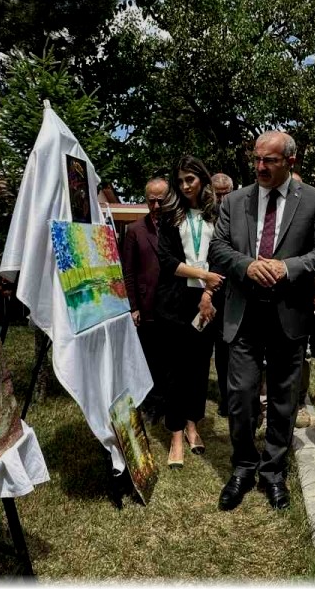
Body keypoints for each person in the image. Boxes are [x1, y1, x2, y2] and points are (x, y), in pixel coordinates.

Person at [210, 131, 315, 510]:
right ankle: (243, 466)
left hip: (289, 314)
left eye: (270, 161)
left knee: (284, 398)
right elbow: (218, 248)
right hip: (244, 314)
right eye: (257, 160)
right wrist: (247, 266)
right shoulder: (234, 201)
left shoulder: (314, 200)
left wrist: (287, 267)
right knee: (242, 396)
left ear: (291, 162)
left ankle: (273, 471)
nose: (261, 167)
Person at [155, 157, 224, 468]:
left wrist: (209, 291)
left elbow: (221, 255)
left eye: (190, 180)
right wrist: (202, 274)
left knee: (198, 367)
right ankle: (176, 432)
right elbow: (166, 260)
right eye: (180, 181)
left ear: (202, 180)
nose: (185, 186)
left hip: (206, 302)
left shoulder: (218, 214)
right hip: (175, 301)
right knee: (174, 369)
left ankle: (194, 423)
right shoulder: (171, 215)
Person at [121, 177, 170, 423]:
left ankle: (169, 402)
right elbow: (127, 272)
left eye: (161, 200)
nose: (157, 206)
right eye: (152, 201)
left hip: (172, 306)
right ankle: (152, 404)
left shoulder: (176, 227)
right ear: (146, 200)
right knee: (149, 358)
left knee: (170, 358)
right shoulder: (134, 231)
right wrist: (133, 307)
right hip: (147, 306)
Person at [211, 173, 236, 417]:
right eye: (217, 193)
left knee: (228, 348)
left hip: (231, 288)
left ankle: (230, 398)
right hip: (205, 286)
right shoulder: (205, 215)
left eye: (225, 192)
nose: (221, 197)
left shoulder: (238, 215)